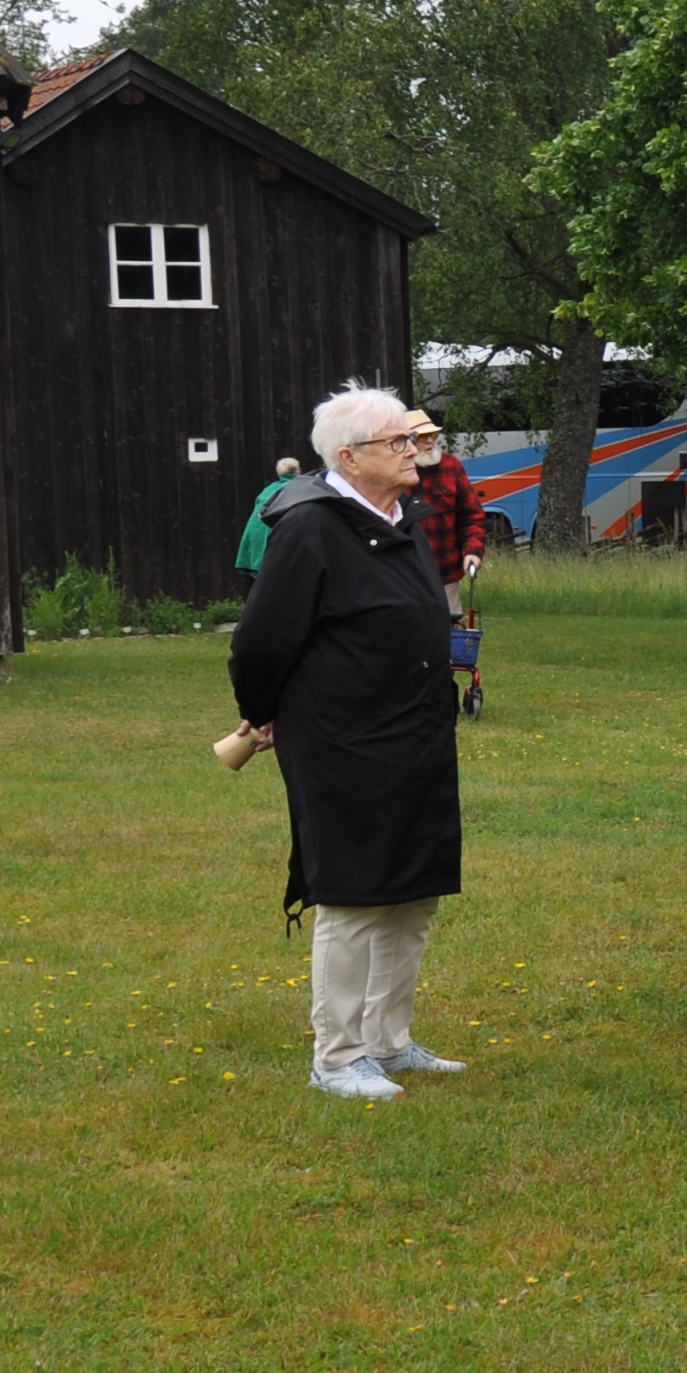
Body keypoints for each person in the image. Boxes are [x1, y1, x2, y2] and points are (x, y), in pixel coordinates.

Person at [228, 382, 466, 1103]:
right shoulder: (311, 526)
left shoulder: (398, 516)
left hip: (415, 733)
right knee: (356, 894)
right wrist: (261, 713)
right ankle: (337, 1056)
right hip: (343, 740)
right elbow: (260, 641)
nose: (415, 451)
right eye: (399, 441)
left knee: (412, 893)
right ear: (348, 454)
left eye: (414, 439)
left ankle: (388, 1042)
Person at [406, 416, 484, 636]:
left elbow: (472, 517)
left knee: (447, 645)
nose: (430, 441)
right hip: (405, 575)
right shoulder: (393, 472)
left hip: (446, 574)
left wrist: (473, 552)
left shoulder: (451, 466)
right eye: (422, 437)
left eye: (433, 435)